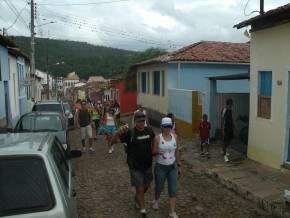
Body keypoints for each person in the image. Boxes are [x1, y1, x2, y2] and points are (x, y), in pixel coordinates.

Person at [118, 111, 155, 218]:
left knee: (146, 185)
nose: (141, 123)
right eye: (139, 121)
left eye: (143, 121)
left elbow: (154, 141)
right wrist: (117, 133)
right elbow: (113, 141)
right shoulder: (130, 132)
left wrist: (153, 152)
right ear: (135, 121)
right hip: (134, 166)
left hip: (147, 165)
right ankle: (143, 210)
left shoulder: (149, 130)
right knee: (139, 187)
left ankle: (137, 198)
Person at [152, 117, 183, 218]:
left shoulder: (175, 137)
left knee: (173, 188)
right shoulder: (157, 138)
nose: (167, 128)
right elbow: (153, 152)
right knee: (159, 187)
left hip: (172, 167)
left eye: (169, 126)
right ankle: (156, 200)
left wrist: (179, 164)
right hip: (160, 167)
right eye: (165, 127)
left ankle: (172, 212)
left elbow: (177, 151)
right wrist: (157, 152)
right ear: (161, 127)